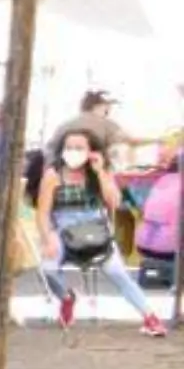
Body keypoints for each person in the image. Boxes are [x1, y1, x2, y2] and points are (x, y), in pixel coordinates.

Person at [35, 130, 164, 336]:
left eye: (79, 148)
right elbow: (42, 212)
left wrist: (101, 172)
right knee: (48, 268)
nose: (73, 152)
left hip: (95, 229)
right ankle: (66, 298)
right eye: (69, 147)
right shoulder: (53, 175)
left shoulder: (97, 174)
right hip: (63, 231)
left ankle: (149, 316)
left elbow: (114, 202)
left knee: (117, 272)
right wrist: (47, 237)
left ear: (90, 151)